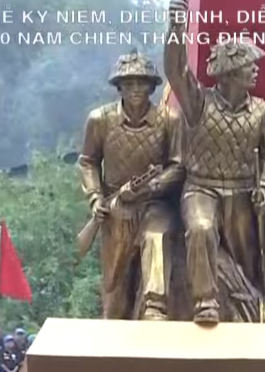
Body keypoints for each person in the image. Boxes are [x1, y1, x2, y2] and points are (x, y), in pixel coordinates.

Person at [164, 0, 265, 324]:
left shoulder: (264, 112)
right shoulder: (198, 103)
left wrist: (263, 183)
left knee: (246, 261)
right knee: (201, 229)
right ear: (229, 73)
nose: (256, 68)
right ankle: (204, 301)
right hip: (201, 188)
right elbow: (176, 70)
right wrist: (177, 27)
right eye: (249, 64)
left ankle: (250, 312)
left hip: (243, 192)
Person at [77, 51, 185, 320]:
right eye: (128, 83)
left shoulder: (169, 120)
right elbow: (88, 162)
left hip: (154, 203)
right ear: (119, 87)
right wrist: (95, 198)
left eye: (141, 83)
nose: (135, 89)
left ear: (151, 86)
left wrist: (153, 186)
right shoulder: (99, 120)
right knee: (115, 288)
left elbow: (179, 165)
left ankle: (154, 306)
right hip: (116, 205)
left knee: (156, 237)